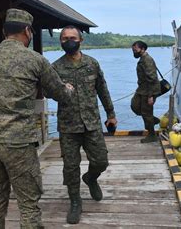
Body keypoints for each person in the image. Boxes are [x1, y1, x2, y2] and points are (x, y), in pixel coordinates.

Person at [0, 8, 74, 229]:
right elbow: (59, 93)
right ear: (27, 31)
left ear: (5, 31)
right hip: (19, 143)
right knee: (28, 204)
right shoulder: (35, 60)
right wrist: (69, 89)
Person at [51, 25, 117, 225]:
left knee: (101, 161)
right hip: (68, 126)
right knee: (70, 167)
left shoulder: (92, 64)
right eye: (64, 38)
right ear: (60, 41)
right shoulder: (55, 68)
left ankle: (91, 178)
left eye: (72, 37)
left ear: (81, 40)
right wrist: (60, 89)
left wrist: (111, 114)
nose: (68, 41)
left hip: (91, 123)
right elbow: (47, 92)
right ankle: (75, 202)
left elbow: (102, 90)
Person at [131, 41, 161, 143]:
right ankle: (153, 119)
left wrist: (150, 96)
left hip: (149, 90)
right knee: (134, 106)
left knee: (146, 112)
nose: (134, 52)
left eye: (135, 50)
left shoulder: (147, 60)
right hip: (142, 89)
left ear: (142, 49)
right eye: (133, 50)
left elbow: (152, 78)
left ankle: (152, 135)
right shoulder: (142, 59)